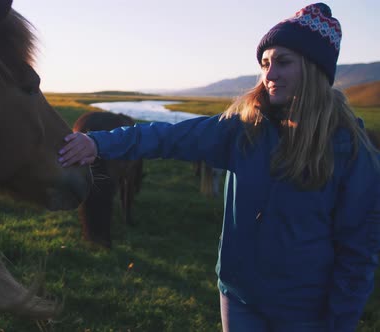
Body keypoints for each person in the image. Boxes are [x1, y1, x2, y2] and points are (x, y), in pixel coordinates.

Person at [58, 3, 380, 331]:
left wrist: (339, 322)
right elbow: (169, 137)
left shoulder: (352, 153)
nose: (269, 75)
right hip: (239, 302)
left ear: (314, 70)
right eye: (265, 63)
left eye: (283, 62)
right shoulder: (244, 130)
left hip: (306, 313)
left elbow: (358, 253)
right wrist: (98, 143)